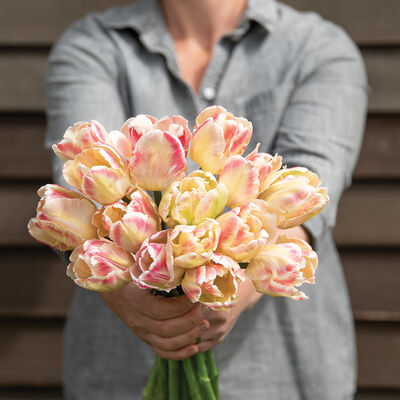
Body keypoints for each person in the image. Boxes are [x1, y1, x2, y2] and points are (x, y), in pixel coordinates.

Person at [45, 0, 368, 398]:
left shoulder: (317, 47)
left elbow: (313, 189)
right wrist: (125, 292)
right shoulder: (94, 46)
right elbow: (81, 183)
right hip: (119, 374)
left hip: (283, 375)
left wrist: (232, 286)